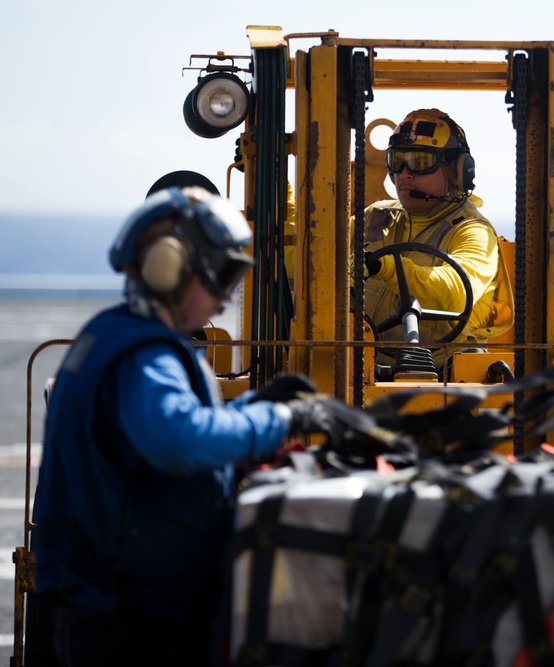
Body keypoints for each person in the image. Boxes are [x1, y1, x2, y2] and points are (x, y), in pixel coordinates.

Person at [29, 186, 341, 667]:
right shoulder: (145, 354)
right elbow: (180, 438)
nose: (226, 299)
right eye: (221, 278)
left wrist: (257, 404)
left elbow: (159, 427)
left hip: (108, 605)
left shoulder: (111, 334)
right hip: (133, 620)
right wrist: (283, 418)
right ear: (168, 268)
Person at [360, 108, 510, 371]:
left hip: (441, 379)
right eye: (396, 162)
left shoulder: (472, 231)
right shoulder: (376, 216)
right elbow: (316, 252)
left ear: (457, 171)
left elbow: (459, 292)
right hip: (358, 371)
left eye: (419, 162)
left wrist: (386, 268)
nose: (404, 174)